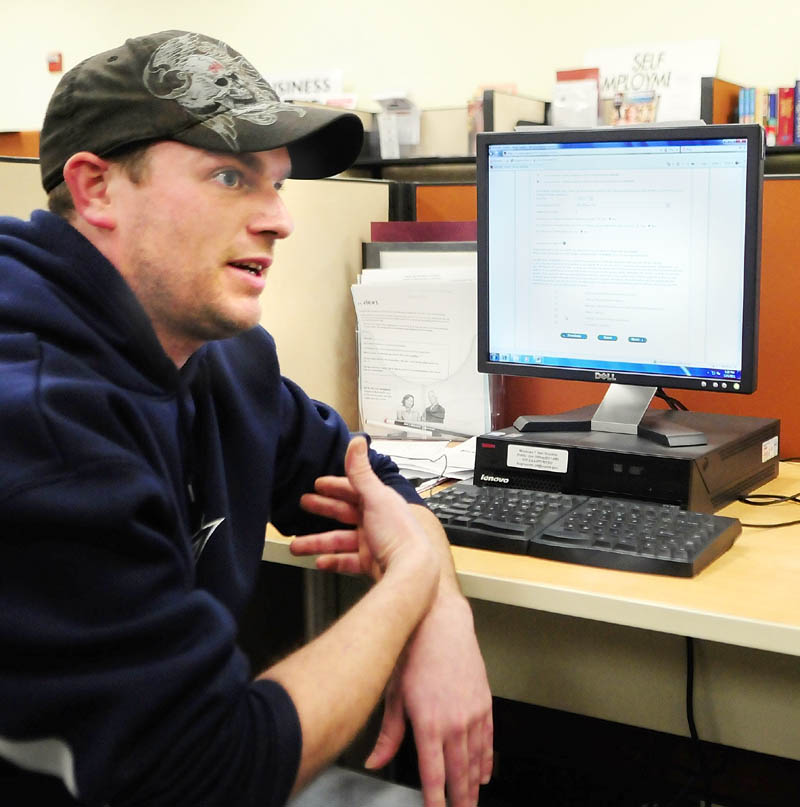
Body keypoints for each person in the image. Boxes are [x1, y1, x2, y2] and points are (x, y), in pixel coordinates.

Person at [0, 30, 492, 807]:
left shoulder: (223, 360)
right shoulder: (37, 418)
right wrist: (414, 589)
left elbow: (378, 485)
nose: (281, 220)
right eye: (231, 176)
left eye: (279, 183)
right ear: (95, 189)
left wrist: (448, 617)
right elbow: (209, 772)